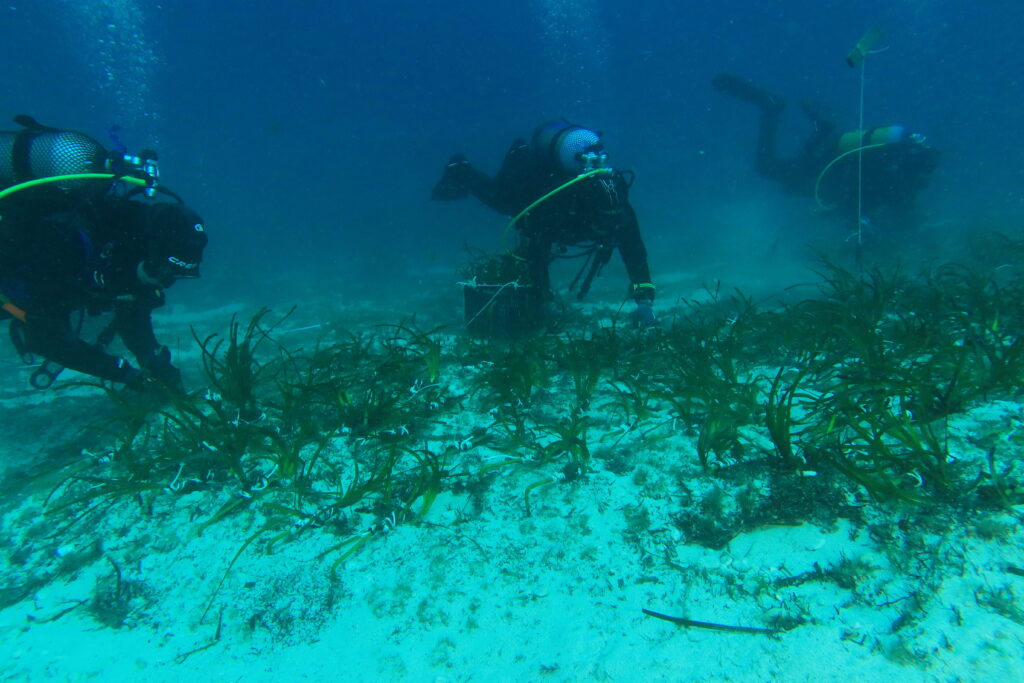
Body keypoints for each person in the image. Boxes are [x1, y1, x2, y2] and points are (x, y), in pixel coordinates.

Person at [0, 115, 208, 391]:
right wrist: (130, 377)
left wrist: (151, 359)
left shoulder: (126, 242)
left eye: (176, 277)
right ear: (148, 251)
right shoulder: (67, 244)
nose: (164, 283)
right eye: (162, 273)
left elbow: (131, 308)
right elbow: (46, 337)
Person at [431, 120, 657, 327]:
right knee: (503, 201)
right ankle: (462, 169)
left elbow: (634, 250)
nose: (609, 229)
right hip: (529, 186)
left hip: (561, 192)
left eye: (613, 222)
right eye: (603, 223)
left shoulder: (620, 211)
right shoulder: (556, 208)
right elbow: (536, 254)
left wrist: (644, 302)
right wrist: (544, 299)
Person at [711, 73, 941, 235]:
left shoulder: (895, 175)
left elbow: (857, 199)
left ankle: (817, 128)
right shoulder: (891, 182)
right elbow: (853, 201)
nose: (924, 184)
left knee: (790, 171)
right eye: (924, 180)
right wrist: (859, 227)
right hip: (829, 167)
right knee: (766, 167)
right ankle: (771, 108)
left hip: (831, 163)